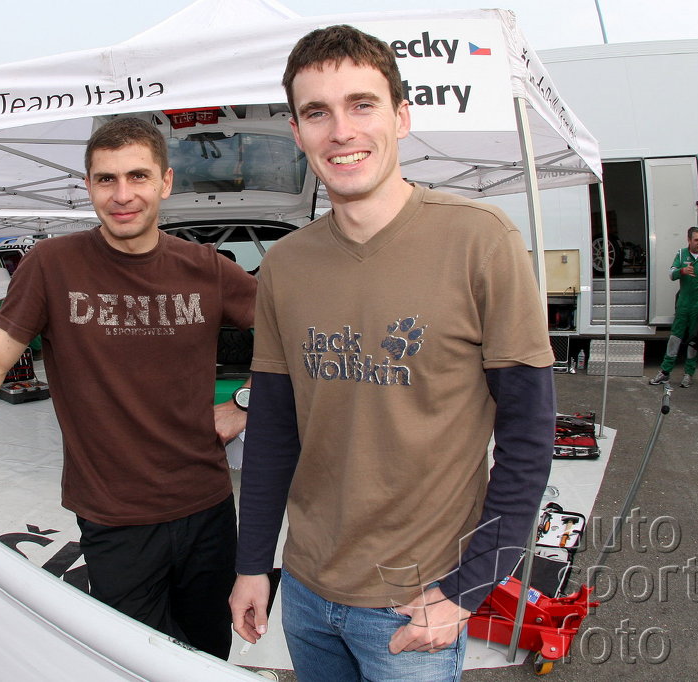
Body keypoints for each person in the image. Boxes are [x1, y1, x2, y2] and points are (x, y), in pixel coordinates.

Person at [228, 25, 556, 682]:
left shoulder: (480, 241)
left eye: (362, 105)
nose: (341, 131)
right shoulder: (285, 266)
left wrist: (469, 586)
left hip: (414, 601)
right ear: (296, 132)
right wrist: (253, 564)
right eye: (317, 112)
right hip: (307, 592)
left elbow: (529, 433)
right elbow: (271, 432)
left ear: (402, 117)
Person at [0, 117, 256, 659]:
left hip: (207, 508)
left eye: (138, 176)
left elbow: (297, 333)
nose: (122, 195)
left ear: (165, 182)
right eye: (106, 179)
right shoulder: (51, 265)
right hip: (114, 517)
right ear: (87, 186)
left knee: (207, 654)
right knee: (136, 660)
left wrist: (246, 402)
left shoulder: (205, 267)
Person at [650, 227, 698, 388]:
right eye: (696, 240)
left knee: (694, 340)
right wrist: (683, 271)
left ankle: (688, 374)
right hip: (683, 305)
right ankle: (665, 372)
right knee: (675, 337)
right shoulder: (681, 254)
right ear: (689, 240)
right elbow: (671, 274)